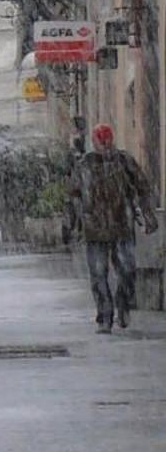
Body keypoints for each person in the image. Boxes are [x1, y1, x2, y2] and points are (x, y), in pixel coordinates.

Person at [68, 124, 157, 332]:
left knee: (128, 270)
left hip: (121, 226)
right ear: (95, 142)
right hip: (95, 229)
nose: (105, 145)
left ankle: (123, 303)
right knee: (99, 274)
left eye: (107, 140)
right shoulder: (85, 165)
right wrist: (72, 224)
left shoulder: (124, 161)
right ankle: (104, 316)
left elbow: (142, 187)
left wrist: (148, 214)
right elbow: (72, 196)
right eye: (101, 141)